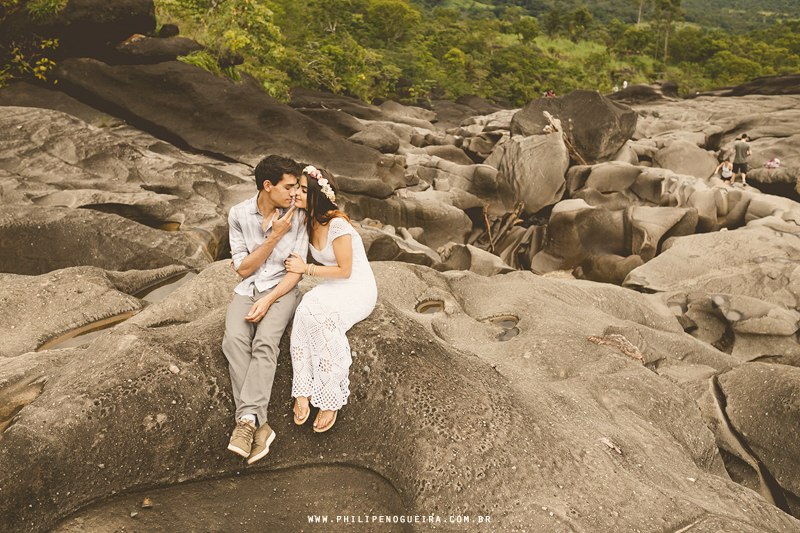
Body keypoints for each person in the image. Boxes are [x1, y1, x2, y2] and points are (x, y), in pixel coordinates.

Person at [223, 155, 309, 464]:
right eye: (289, 187)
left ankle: (246, 423)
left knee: (264, 342)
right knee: (233, 340)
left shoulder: (298, 215)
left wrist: (269, 299)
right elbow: (244, 270)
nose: (294, 193)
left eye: (297, 187)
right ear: (268, 186)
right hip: (248, 289)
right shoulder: (238, 214)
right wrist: (274, 237)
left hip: (282, 290)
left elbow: (296, 271)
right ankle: (260, 424)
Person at [285, 166, 377, 433]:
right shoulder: (307, 220)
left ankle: (329, 396)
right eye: (296, 188)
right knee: (303, 313)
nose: (296, 193)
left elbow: (345, 270)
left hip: (357, 286)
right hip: (333, 284)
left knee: (325, 321)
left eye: (303, 189)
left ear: (316, 194)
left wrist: (306, 269)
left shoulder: (337, 224)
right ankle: (302, 389)